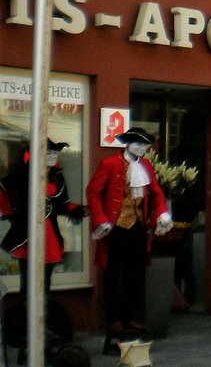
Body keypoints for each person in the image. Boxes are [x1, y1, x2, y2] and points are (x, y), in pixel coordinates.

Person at [86, 128, 173, 339]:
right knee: (113, 274)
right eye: (138, 144)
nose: (141, 148)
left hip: (138, 227)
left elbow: (156, 193)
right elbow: (93, 191)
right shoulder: (110, 164)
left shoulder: (146, 166)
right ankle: (114, 318)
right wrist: (100, 219)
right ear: (128, 144)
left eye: (145, 145)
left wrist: (161, 212)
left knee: (136, 274)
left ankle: (130, 316)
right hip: (116, 227)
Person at [0, 140, 86, 304]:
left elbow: (63, 204)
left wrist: (77, 210)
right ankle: (24, 323)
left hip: (50, 236)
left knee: (45, 284)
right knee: (28, 284)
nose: (53, 156)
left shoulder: (57, 176)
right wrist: (8, 211)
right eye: (48, 153)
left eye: (55, 153)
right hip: (27, 234)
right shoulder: (24, 173)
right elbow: (3, 188)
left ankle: (42, 322)